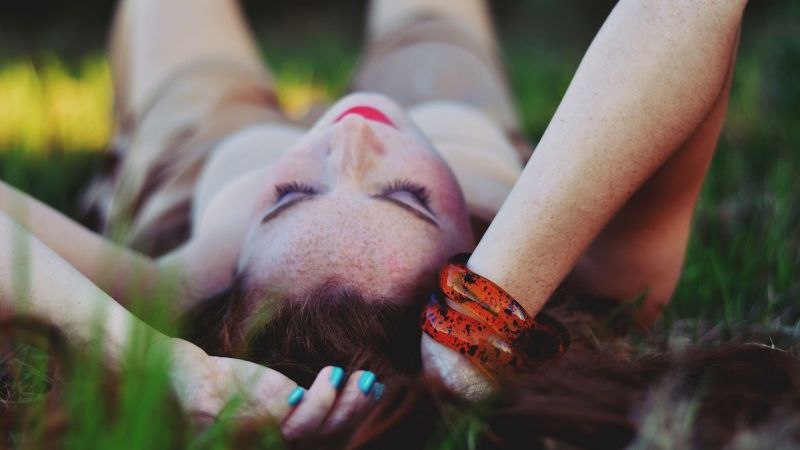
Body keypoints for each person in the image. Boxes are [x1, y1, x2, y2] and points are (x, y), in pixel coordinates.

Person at [0, 0, 755, 444]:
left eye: (290, 196)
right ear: (469, 249)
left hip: (198, 148)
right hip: (451, 97)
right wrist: (489, 304)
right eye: (409, 198)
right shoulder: (593, 278)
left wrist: (150, 355)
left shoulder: (178, 286)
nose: (349, 136)